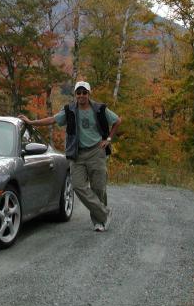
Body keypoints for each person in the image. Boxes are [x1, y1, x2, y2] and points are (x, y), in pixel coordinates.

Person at [18, 81, 122, 232]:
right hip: (77, 154)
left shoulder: (100, 109)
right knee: (78, 185)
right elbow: (53, 119)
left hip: (96, 152)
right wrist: (32, 122)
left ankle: (99, 222)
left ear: (89, 94)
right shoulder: (69, 110)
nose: (81, 95)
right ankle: (104, 212)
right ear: (75, 95)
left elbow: (117, 120)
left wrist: (109, 139)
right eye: (78, 93)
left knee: (99, 188)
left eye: (84, 92)